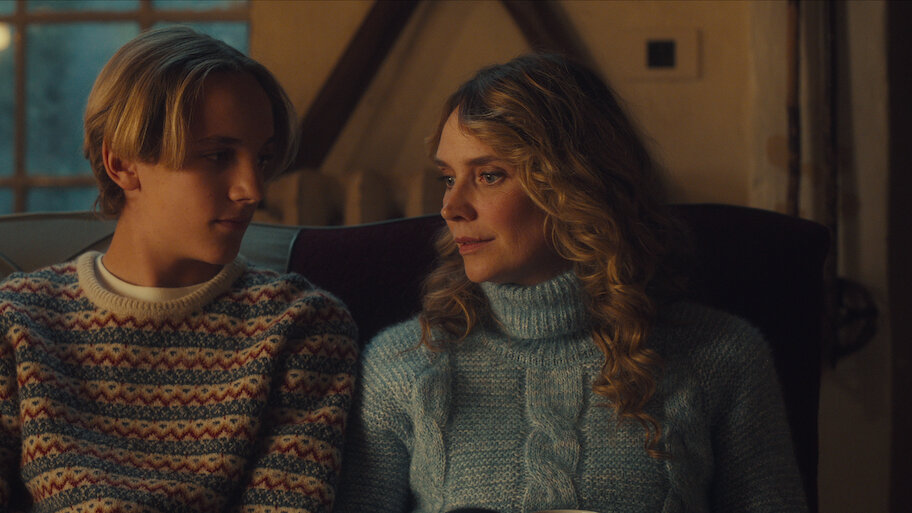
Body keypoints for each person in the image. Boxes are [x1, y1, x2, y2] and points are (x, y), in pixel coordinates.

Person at [334, 53, 807, 513]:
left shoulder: (721, 357)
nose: (450, 207)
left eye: (489, 175)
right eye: (447, 177)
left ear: (574, 185)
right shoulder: (403, 365)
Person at [0, 27, 357, 512]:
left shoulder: (301, 326)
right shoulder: (18, 320)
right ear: (122, 164)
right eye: (218, 156)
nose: (253, 189)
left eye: (263, 158)